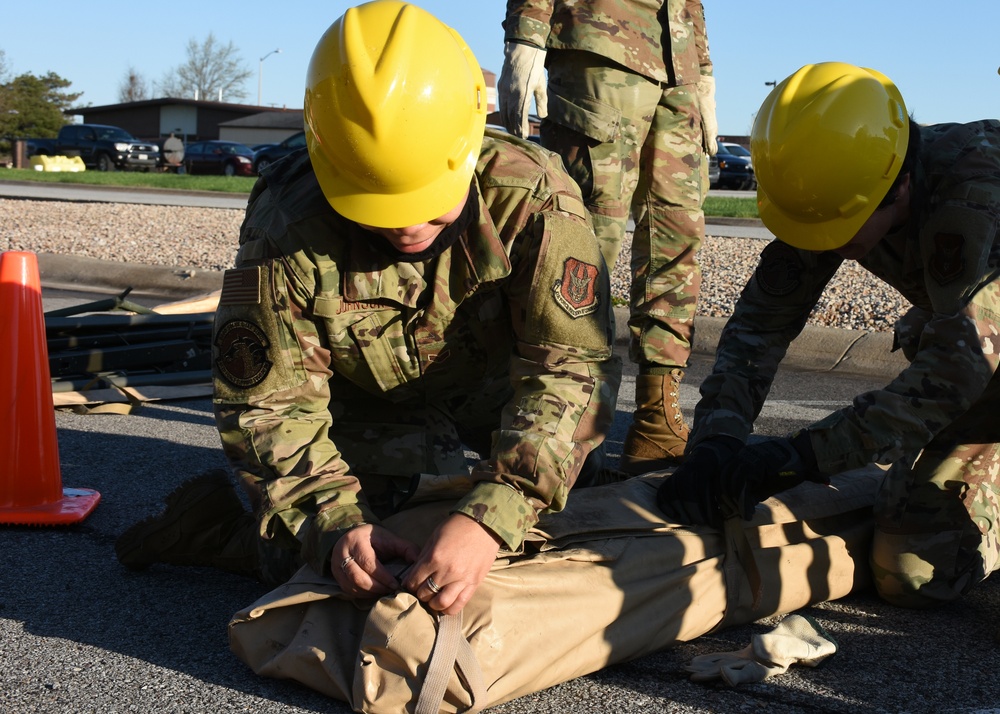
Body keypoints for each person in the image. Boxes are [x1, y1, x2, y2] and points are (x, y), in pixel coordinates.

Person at [116, 0, 621, 617]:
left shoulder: (535, 198)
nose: (408, 226)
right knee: (354, 558)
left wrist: (497, 512)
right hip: (363, 400)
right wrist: (333, 523)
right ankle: (216, 529)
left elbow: (570, 368)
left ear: (468, 147)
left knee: (565, 506)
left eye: (429, 202)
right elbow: (266, 403)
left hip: (492, 393)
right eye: (376, 206)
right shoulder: (287, 223)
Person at [657, 61, 1000, 608]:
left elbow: (956, 374)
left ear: (902, 185)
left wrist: (795, 458)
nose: (823, 243)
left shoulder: (974, 198)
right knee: (914, 573)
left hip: (980, 361)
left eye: (836, 229)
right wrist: (717, 441)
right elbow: (758, 328)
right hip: (979, 356)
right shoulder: (839, 183)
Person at [498, 0, 718, 474]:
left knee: (676, 240)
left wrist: (701, 64)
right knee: (584, 243)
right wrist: (527, 29)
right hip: (599, 43)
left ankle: (656, 420)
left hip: (676, 63)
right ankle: (566, 430)